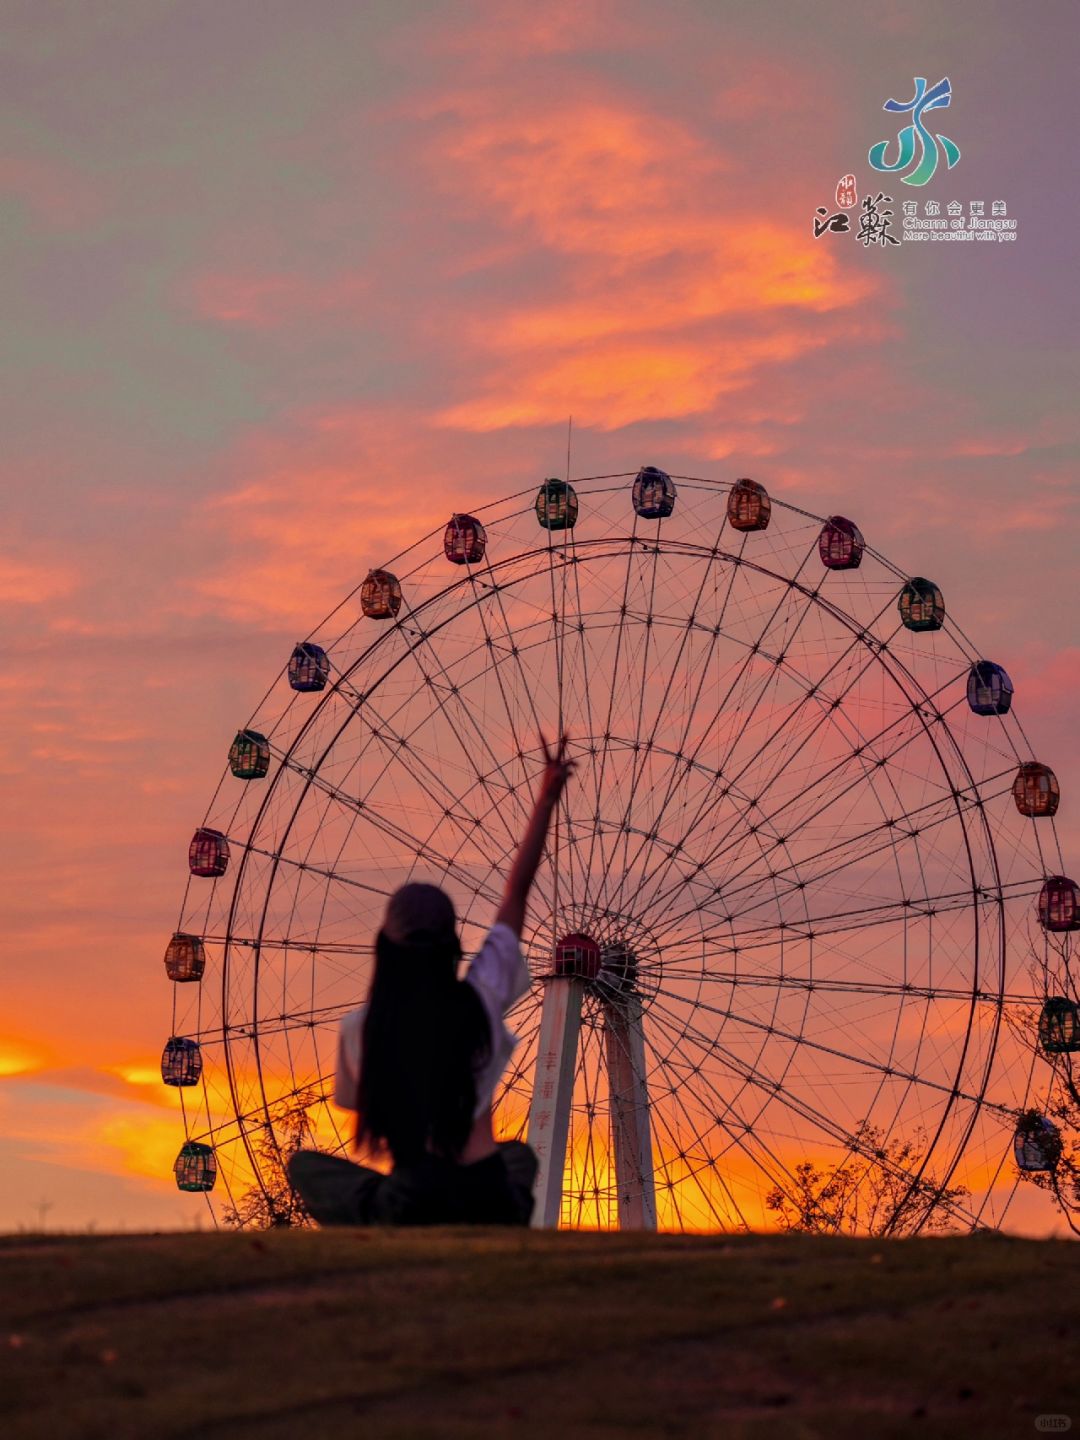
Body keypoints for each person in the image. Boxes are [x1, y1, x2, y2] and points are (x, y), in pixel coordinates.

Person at [288, 733, 575, 1226]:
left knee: (306, 1168)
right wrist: (545, 801)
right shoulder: (481, 1003)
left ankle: (386, 1224)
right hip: (488, 1198)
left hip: (412, 1200)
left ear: (386, 947)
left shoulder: (362, 1029)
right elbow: (515, 896)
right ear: (452, 945)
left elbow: (359, 1109)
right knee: (520, 1157)